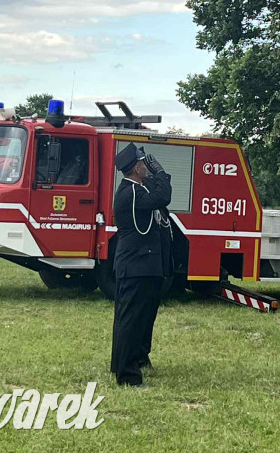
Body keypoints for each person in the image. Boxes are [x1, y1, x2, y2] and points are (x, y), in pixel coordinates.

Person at [110, 143, 172, 387]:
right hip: (135, 265)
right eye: (143, 164)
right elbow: (162, 197)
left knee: (141, 318)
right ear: (137, 167)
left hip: (143, 265)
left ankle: (133, 360)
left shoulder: (135, 189)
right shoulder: (131, 192)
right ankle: (127, 375)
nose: (146, 167)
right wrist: (162, 175)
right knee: (130, 320)